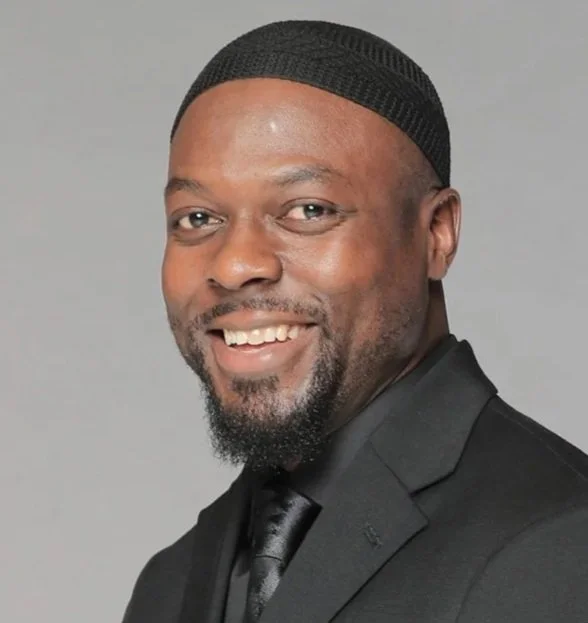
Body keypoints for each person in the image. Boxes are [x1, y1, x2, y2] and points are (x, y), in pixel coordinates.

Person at [122, 20, 588, 623]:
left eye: (308, 210)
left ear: (436, 234)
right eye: (196, 218)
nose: (235, 265)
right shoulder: (170, 583)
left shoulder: (559, 546)